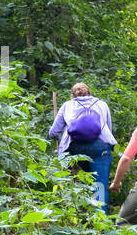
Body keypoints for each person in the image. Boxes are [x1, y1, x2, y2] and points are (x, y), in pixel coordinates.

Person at [49, 82, 116, 214]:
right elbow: (108, 128)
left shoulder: (67, 105)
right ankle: (100, 221)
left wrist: (56, 137)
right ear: (90, 94)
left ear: (72, 96)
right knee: (100, 184)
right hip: (100, 148)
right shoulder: (101, 104)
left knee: (74, 179)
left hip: (74, 149)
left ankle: (76, 212)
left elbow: (54, 132)